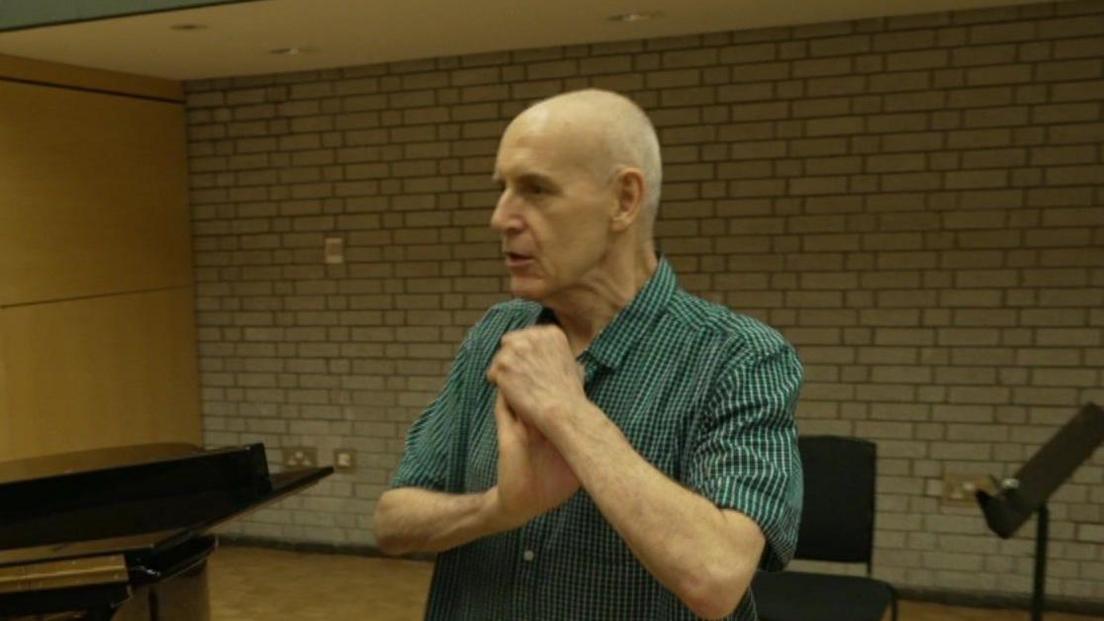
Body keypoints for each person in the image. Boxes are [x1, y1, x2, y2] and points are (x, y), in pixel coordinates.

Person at [373, 88, 804, 620]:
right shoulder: (495, 336)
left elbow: (716, 576)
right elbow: (393, 522)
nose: (501, 217)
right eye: (503, 189)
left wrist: (568, 414)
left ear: (624, 201)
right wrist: (498, 509)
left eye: (536, 189)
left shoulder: (738, 356)